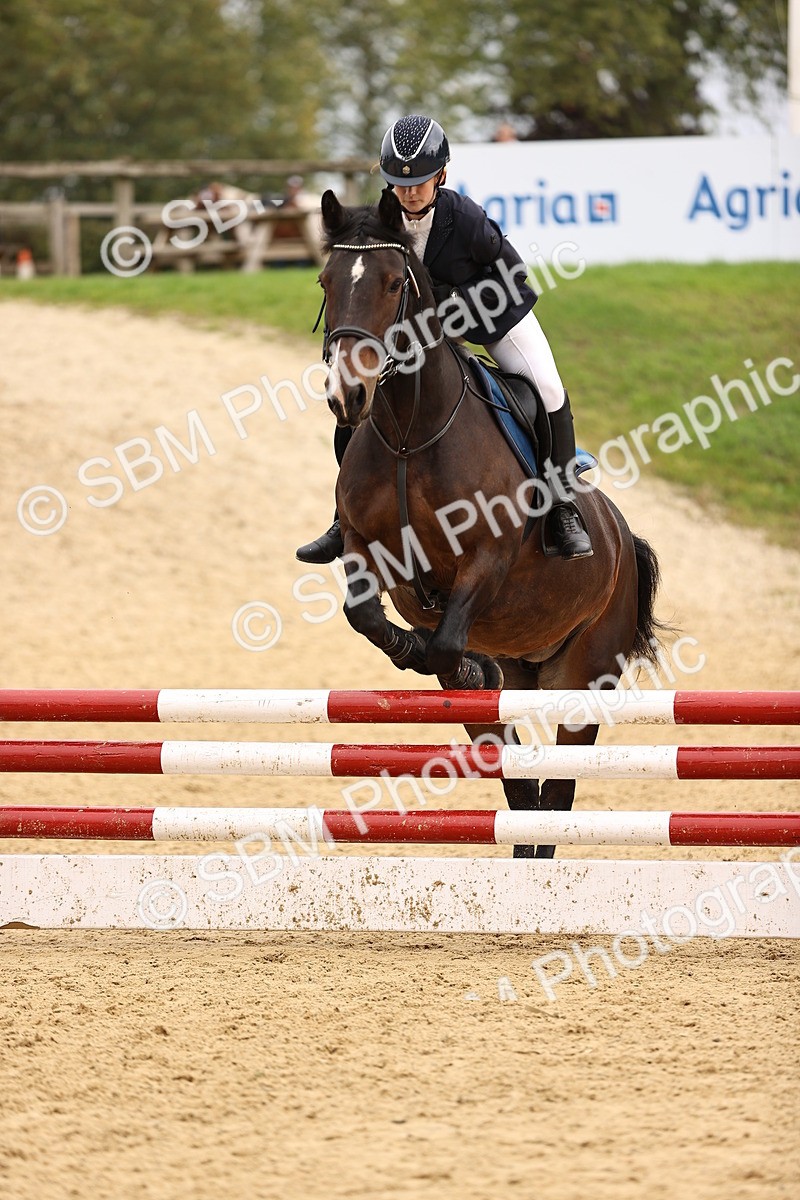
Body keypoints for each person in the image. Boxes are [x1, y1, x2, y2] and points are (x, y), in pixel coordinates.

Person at [296, 114, 592, 563]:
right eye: (399, 183)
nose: (410, 192)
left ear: (442, 176)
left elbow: (512, 275)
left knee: (547, 388)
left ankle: (562, 505)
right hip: (417, 336)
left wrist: (452, 304)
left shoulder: (465, 218)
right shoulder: (378, 224)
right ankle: (344, 519)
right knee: (355, 401)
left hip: (495, 318)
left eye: (420, 183)